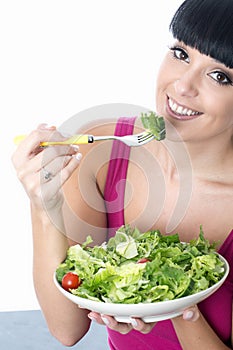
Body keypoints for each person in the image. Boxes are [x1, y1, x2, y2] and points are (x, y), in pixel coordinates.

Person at [12, 0, 233, 349]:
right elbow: (67, 329)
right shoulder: (102, 150)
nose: (183, 86)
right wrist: (44, 204)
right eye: (180, 53)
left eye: (220, 76)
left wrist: (177, 305)